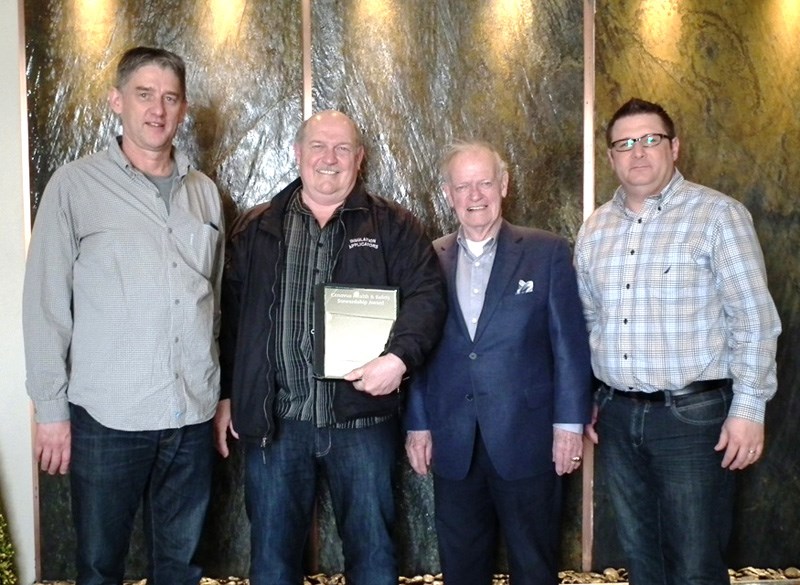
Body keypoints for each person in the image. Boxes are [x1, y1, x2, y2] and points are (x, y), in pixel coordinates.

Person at [214, 110, 446, 585]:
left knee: (373, 556)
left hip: (362, 422)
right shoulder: (256, 228)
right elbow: (231, 319)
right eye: (318, 146)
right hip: (277, 422)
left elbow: (428, 298)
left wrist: (398, 359)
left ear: (359, 159)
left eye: (342, 148)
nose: (329, 159)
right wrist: (226, 394)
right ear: (297, 154)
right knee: (273, 562)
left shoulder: (394, 226)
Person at [23, 47, 224, 585]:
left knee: (180, 567)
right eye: (144, 94)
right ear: (117, 101)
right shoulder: (73, 186)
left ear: (182, 110)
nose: (157, 109)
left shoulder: (204, 193)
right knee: (98, 566)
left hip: (192, 412)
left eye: (170, 98)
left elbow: (215, 301)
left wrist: (220, 393)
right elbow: (44, 305)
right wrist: (50, 410)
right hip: (108, 416)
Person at [575, 98, 782, 585]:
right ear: (610, 158)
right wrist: (585, 397)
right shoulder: (596, 227)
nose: (638, 153)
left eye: (651, 140)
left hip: (693, 419)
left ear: (675, 147)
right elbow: (588, 318)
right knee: (640, 555)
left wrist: (749, 409)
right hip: (618, 417)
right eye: (624, 144)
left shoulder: (717, 216)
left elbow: (753, 318)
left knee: (694, 561)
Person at [404, 140, 593, 585]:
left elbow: (569, 345)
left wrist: (568, 426)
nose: (475, 195)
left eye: (484, 182)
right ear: (447, 194)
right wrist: (417, 425)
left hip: (528, 439)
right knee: (462, 565)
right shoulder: (427, 258)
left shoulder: (546, 252)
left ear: (503, 185)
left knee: (534, 564)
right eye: (463, 185)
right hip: (453, 442)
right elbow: (414, 348)